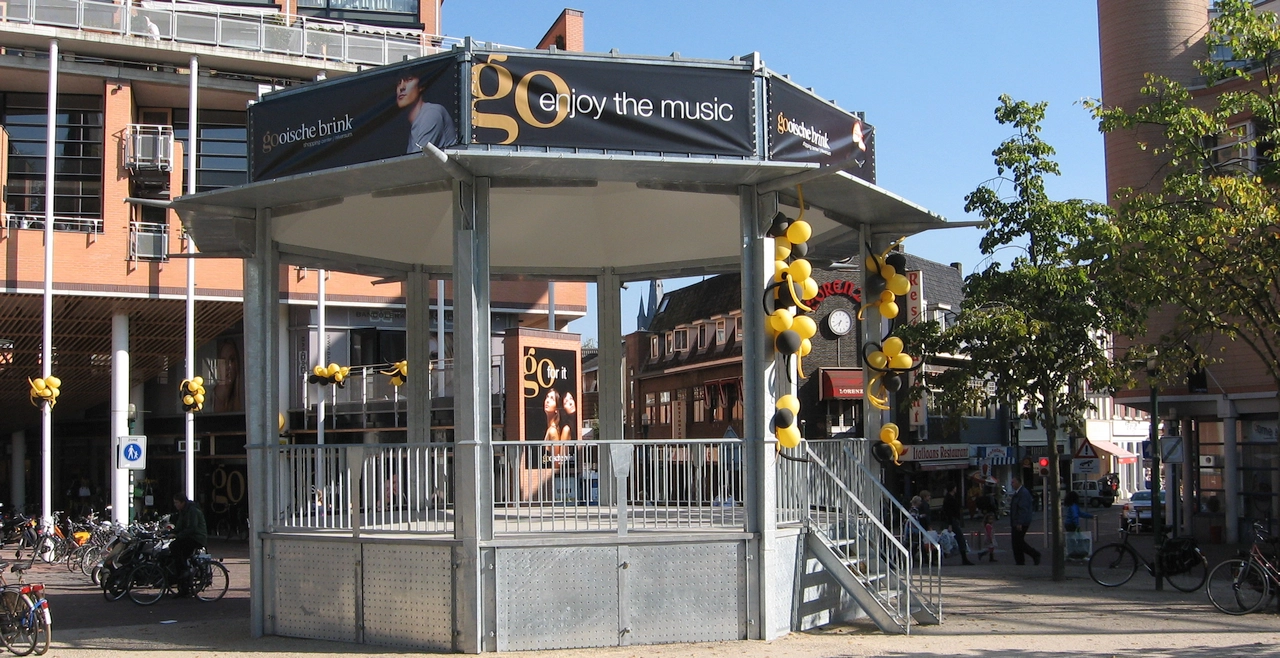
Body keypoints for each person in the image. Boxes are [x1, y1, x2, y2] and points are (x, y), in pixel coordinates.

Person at [396, 71, 457, 153]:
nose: (401, 87)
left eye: (409, 80)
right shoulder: (413, 123)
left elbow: (416, 162)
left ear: (421, 86)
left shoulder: (431, 113)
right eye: (399, 82)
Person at [168, 493, 207, 596]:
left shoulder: (192, 511)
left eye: (176, 503)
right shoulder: (183, 511)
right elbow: (180, 526)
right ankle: (183, 588)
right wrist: (169, 532)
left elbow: (192, 528)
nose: (175, 505)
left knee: (175, 546)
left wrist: (178, 535)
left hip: (197, 538)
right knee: (177, 551)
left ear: (182, 502)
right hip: (190, 536)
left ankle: (184, 572)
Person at [1008, 476, 1041, 566]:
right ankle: (1020, 561)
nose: (1012, 484)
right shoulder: (1018, 493)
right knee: (1016, 542)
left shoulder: (1023, 493)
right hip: (1016, 521)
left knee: (1018, 542)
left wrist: (1020, 522)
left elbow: (1023, 509)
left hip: (1020, 522)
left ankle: (1034, 554)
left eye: (1013, 482)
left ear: (1018, 482)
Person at [943, 484, 975, 565]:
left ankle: (963, 557)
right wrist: (950, 524)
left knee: (959, 538)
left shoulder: (949, 498)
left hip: (953, 520)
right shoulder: (949, 499)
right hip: (952, 521)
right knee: (960, 538)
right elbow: (948, 512)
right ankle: (963, 558)